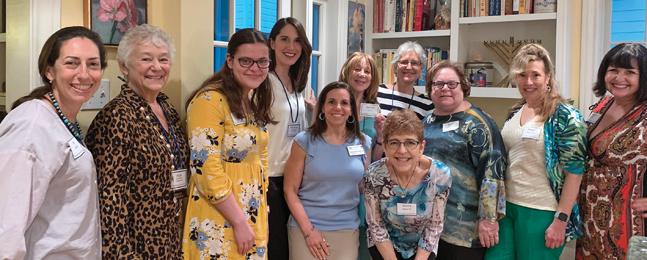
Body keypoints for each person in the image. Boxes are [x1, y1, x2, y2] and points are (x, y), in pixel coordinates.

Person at [0, 26, 106, 259]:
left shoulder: (63, 120)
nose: (84, 74)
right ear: (49, 70)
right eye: (71, 63)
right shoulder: (32, 126)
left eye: (93, 64)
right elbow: (6, 224)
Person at [86, 24, 189, 259]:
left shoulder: (168, 109)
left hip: (171, 240)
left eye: (163, 59)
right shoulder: (116, 117)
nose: (157, 67)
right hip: (135, 246)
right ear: (124, 66)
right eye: (146, 59)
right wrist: (121, 254)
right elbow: (109, 199)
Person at [485, 44, 587, 260]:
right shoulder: (515, 111)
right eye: (522, 75)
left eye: (535, 75)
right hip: (506, 209)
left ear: (548, 77)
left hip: (542, 211)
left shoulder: (566, 117)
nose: (528, 82)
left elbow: (575, 173)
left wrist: (561, 220)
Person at [182, 28, 275, 260]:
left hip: (252, 210)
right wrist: (239, 221)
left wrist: (263, 212)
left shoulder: (252, 99)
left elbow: (260, 156)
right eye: (246, 61)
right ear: (230, 60)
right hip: (220, 213)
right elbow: (205, 167)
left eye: (262, 62)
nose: (255, 68)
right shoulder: (209, 100)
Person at [422, 60, 506, 260]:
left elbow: (492, 175)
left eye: (452, 84)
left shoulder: (478, 124)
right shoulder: (427, 121)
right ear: (430, 89)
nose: (445, 89)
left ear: (463, 87)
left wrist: (488, 219)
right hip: (429, 228)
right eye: (438, 84)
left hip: (464, 230)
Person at [284, 81, 371, 260]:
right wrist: (309, 232)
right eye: (331, 102)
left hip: (346, 229)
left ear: (352, 109)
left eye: (344, 103)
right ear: (322, 107)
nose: (337, 107)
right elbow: (290, 190)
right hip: (306, 227)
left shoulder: (364, 143)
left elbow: (363, 186)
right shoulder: (304, 141)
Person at [576, 43, 647, 260]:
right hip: (590, 220)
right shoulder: (604, 103)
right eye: (613, 70)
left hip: (630, 223)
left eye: (630, 72)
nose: (619, 78)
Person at [363, 109, 452, 260]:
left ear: (421, 147)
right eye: (394, 143)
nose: (402, 150)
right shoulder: (373, 175)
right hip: (385, 242)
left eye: (410, 143)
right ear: (384, 146)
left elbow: (434, 226)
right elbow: (376, 225)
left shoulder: (440, 175)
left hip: (422, 245)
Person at [266, 17, 315, 260]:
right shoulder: (262, 81)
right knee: (274, 250)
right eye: (284, 39)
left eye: (297, 41)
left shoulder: (297, 84)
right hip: (268, 181)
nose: (291, 47)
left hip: (294, 181)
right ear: (272, 42)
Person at [339, 52, 381, 260]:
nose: (362, 74)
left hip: (364, 186)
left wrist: (381, 135)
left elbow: (377, 155)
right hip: (338, 183)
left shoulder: (374, 108)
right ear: (347, 71)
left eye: (367, 71)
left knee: (365, 241)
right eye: (357, 69)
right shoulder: (334, 103)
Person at [373, 41, 435, 170]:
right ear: (395, 67)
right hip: (374, 165)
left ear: (421, 69)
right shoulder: (376, 93)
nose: (409, 67)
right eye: (404, 62)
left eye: (415, 63)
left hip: (407, 170)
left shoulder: (427, 105)